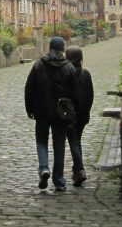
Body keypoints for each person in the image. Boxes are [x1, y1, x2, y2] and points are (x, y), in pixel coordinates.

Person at [24, 35, 80, 191]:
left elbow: (29, 88)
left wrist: (29, 108)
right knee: (59, 145)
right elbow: (75, 92)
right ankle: (59, 180)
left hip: (42, 111)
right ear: (62, 50)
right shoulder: (68, 67)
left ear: (50, 48)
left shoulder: (38, 65)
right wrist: (73, 112)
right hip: (60, 113)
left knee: (41, 141)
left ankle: (43, 168)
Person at [64, 45, 94, 186]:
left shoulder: (65, 73)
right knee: (77, 141)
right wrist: (86, 110)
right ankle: (76, 170)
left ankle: (80, 170)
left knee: (74, 142)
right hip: (82, 115)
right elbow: (90, 95)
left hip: (70, 115)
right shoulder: (85, 74)